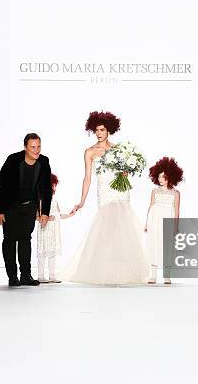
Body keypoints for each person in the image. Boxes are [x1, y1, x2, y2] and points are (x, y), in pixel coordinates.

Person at [60, 111, 148, 284]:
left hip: (121, 192)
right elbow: (87, 178)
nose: (99, 133)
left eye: (102, 129)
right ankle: (104, 273)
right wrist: (82, 201)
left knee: (122, 230)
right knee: (106, 231)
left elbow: (125, 173)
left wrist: (125, 173)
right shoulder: (90, 152)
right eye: (96, 130)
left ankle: (123, 273)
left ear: (109, 130)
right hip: (105, 193)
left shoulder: (119, 150)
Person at [0, 133, 52, 286]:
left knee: (25, 239)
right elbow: (1, 185)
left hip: (29, 206)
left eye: (38, 146)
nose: (36, 150)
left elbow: (46, 188)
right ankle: (12, 277)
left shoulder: (44, 161)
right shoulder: (13, 160)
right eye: (33, 147)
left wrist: (44, 212)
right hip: (10, 206)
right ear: (25, 147)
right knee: (10, 239)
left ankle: (26, 276)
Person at [144, 157, 182, 285]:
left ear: (170, 177)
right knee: (154, 243)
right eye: (159, 177)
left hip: (167, 218)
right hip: (154, 219)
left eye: (163, 177)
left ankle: (167, 275)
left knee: (167, 246)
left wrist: (175, 226)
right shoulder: (154, 191)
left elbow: (177, 210)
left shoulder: (176, 193)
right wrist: (146, 222)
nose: (160, 179)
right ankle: (153, 275)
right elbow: (151, 205)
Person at [36, 174, 73, 283]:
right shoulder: (40, 200)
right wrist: (45, 218)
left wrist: (70, 214)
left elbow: (59, 215)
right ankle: (41, 276)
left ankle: (52, 275)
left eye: (54, 185)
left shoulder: (54, 200)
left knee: (52, 253)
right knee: (42, 253)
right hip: (44, 229)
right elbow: (36, 216)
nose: (54, 187)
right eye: (52, 185)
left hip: (53, 231)